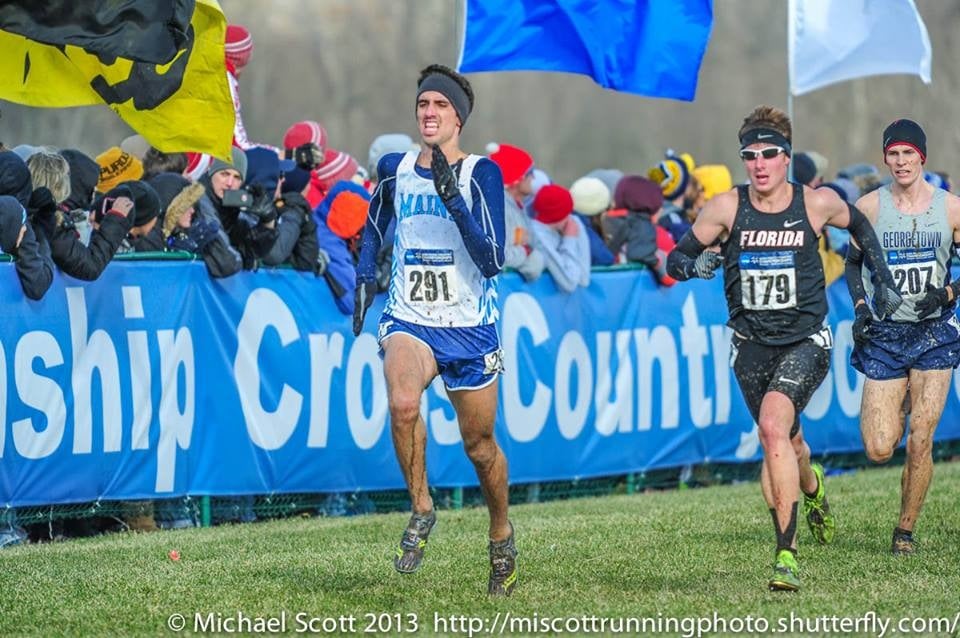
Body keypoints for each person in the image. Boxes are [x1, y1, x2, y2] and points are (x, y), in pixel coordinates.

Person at [666, 105, 902, 592]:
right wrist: (699, 266)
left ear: (785, 157)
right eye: (749, 155)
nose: (759, 163)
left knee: (773, 428)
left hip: (806, 339)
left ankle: (786, 557)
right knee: (788, 440)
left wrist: (881, 281)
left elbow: (860, 226)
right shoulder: (725, 208)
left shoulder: (815, 204)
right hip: (750, 345)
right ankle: (812, 487)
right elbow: (675, 258)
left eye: (769, 154)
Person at [352, 64, 516, 596]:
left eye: (440, 106)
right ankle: (422, 508)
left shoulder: (481, 174)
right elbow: (374, 224)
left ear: (458, 119)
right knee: (403, 404)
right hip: (410, 317)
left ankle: (500, 533)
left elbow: (493, 260)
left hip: (469, 327)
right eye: (423, 104)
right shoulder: (394, 167)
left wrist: (453, 200)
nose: (429, 112)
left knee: (480, 445)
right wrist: (362, 277)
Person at [844, 118, 960, 556]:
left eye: (908, 153)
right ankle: (902, 397)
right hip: (887, 335)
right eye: (893, 153)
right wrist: (860, 308)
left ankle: (904, 531)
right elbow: (852, 265)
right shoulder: (871, 206)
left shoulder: (950, 208)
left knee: (921, 438)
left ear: (922, 157)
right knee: (877, 448)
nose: (900, 161)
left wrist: (945, 293)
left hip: (936, 334)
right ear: (885, 158)